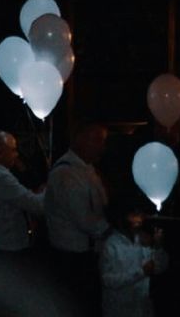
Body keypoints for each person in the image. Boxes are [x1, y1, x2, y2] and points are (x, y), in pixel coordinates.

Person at [45, 123, 110, 316]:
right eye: (97, 140)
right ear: (81, 140)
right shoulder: (67, 173)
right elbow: (84, 219)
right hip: (73, 258)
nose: (102, 146)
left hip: (86, 254)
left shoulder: (86, 169)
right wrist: (113, 233)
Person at [99, 206, 168, 317]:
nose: (139, 218)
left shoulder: (143, 240)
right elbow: (108, 280)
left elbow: (160, 267)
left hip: (142, 307)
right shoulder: (111, 244)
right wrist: (141, 272)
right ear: (121, 217)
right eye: (133, 214)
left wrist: (158, 247)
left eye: (139, 213)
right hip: (118, 310)